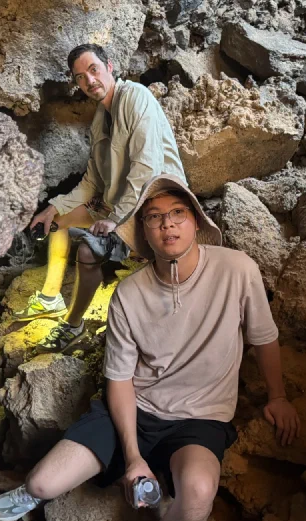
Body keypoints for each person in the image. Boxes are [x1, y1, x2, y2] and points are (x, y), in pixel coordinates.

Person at [0, 174, 301, 521]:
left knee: (197, 493)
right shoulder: (129, 294)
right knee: (43, 484)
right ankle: (30, 494)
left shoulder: (237, 269)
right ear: (144, 233)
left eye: (177, 214)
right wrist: (134, 458)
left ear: (195, 222)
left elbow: (264, 336)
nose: (167, 226)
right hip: (135, 407)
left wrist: (278, 396)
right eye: (154, 218)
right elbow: (119, 380)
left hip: (199, 418)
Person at [15, 43, 186, 354]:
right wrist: (54, 208)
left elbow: (145, 168)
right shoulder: (99, 118)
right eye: (80, 77)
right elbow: (92, 180)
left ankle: (74, 325)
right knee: (59, 224)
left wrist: (114, 218)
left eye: (93, 70)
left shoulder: (135, 97)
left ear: (109, 67)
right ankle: (51, 298)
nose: (89, 81)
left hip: (153, 202)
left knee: (88, 254)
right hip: (116, 203)